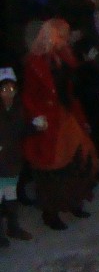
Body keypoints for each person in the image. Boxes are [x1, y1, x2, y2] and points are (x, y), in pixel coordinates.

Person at [21, 20, 98, 230]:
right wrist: (37, 117)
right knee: (52, 168)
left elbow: (70, 87)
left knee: (77, 159)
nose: (64, 39)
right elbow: (29, 95)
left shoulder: (62, 57)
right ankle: (51, 211)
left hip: (65, 115)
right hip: (49, 120)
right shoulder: (35, 63)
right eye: (61, 35)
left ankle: (73, 201)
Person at [0, 68, 41, 245]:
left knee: (10, 196)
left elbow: (20, 131)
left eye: (11, 89)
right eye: (4, 89)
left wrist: (35, 127)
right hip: (2, 162)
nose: (8, 93)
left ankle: (13, 227)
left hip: (12, 160)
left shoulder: (17, 109)